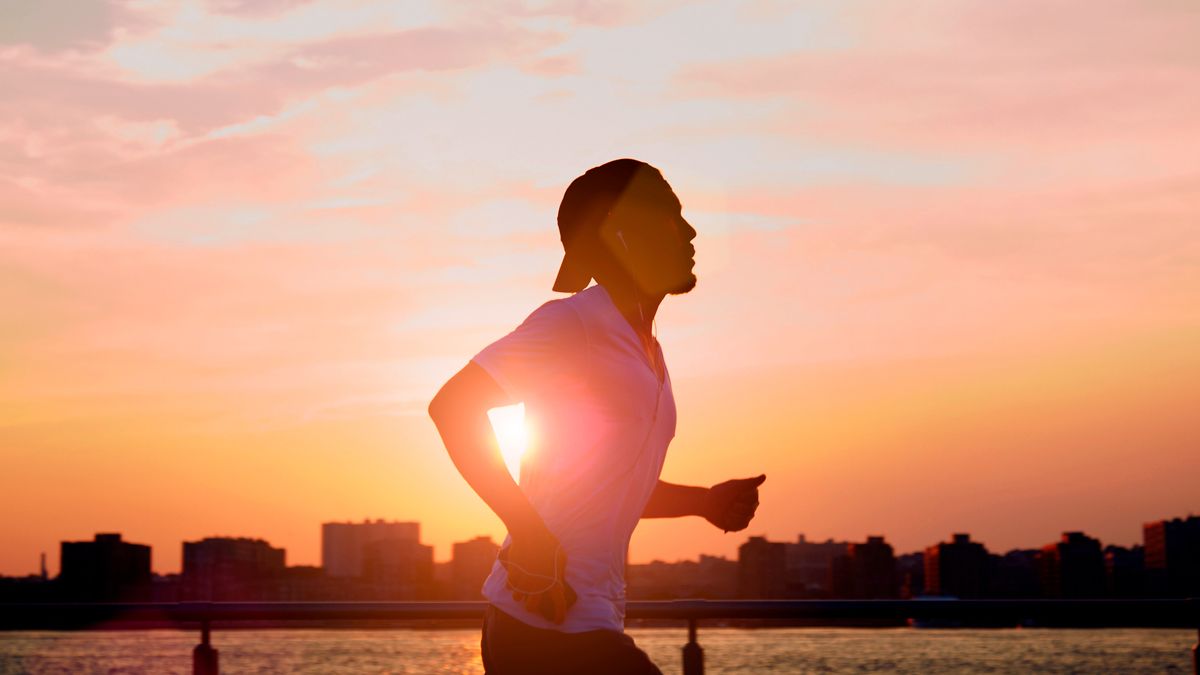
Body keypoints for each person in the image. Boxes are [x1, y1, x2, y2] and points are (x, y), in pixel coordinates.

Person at [428, 158, 766, 674]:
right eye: (673, 216)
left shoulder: (646, 351)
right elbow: (452, 407)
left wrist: (704, 502)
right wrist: (530, 532)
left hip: (586, 619)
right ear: (624, 233)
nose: (692, 232)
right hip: (541, 620)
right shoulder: (573, 325)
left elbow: (605, 486)